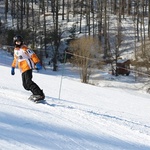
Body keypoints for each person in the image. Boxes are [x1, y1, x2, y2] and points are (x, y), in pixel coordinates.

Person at [11, 35, 45, 102]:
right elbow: (15, 59)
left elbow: (33, 55)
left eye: (19, 41)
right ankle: (35, 93)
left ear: (21, 42)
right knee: (25, 85)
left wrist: (37, 63)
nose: (18, 43)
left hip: (28, 67)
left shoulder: (25, 48)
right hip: (22, 69)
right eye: (16, 42)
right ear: (14, 42)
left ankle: (39, 94)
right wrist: (13, 67)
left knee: (29, 81)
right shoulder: (15, 50)